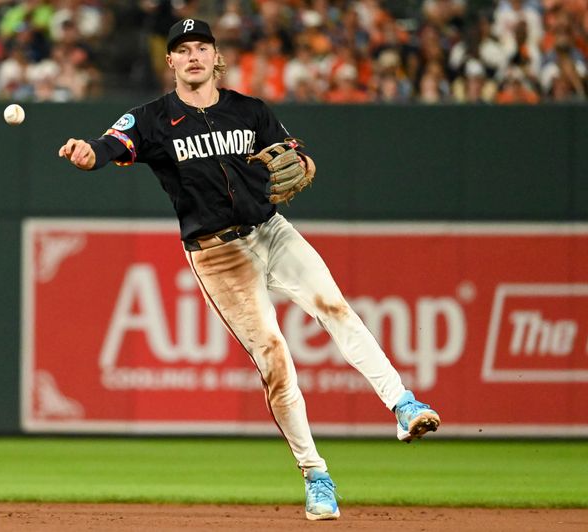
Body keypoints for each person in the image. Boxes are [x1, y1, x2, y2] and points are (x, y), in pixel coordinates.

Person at [58, 18, 440, 521]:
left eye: (202, 48)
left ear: (216, 58)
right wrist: (89, 154)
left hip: (271, 230)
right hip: (217, 254)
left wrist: (301, 163)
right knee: (275, 359)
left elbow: (295, 154)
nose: (193, 56)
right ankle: (316, 475)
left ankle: (403, 403)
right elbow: (109, 146)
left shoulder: (251, 110)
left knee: (336, 307)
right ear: (170, 61)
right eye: (182, 50)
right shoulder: (150, 119)